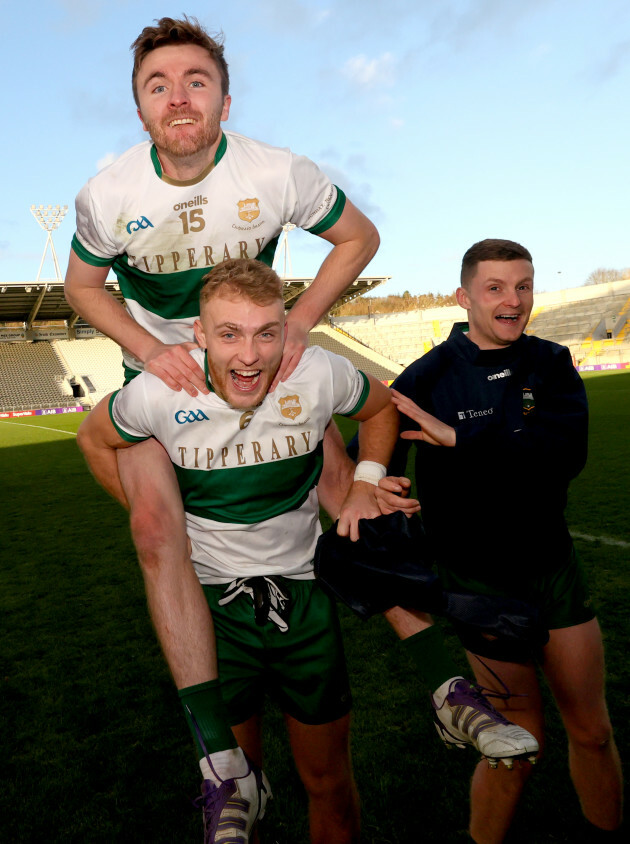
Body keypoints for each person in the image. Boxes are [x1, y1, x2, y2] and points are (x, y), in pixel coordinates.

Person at [64, 15, 379, 836]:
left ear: (224, 100)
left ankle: (445, 670)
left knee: (347, 501)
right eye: (157, 84)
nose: (177, 95)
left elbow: (358, 236)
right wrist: (145, 347)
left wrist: (304, 318)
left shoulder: (276, 171)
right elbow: (83, 287)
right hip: (166, 377)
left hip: (256, 357)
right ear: (138, 111)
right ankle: (220, 761)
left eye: (194, 80)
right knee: (158, 533)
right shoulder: (109, 194)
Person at [77, 257, 398, 843]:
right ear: (199, 336)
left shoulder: (315, 372)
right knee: (237, 793)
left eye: (265, 333)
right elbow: (94, 439)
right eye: (229, 334)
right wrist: (159, 521)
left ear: (286, 331)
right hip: (209, 608)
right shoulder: (157, 393)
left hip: (304, 595)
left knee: (329, 782)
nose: (249, 354)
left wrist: (366, 480)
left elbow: (381, 407)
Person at [382, 239, 623, 843]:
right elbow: (377, 443)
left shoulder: (550, 361)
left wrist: (463, 444)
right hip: (479, 584)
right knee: (515, 747)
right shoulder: (428, 376)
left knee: (592, 731)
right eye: (495, 288)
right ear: (464, 297)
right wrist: (377, 486)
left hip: (552, 567)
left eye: (523, 286)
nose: (512, 301)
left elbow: (565, 456)